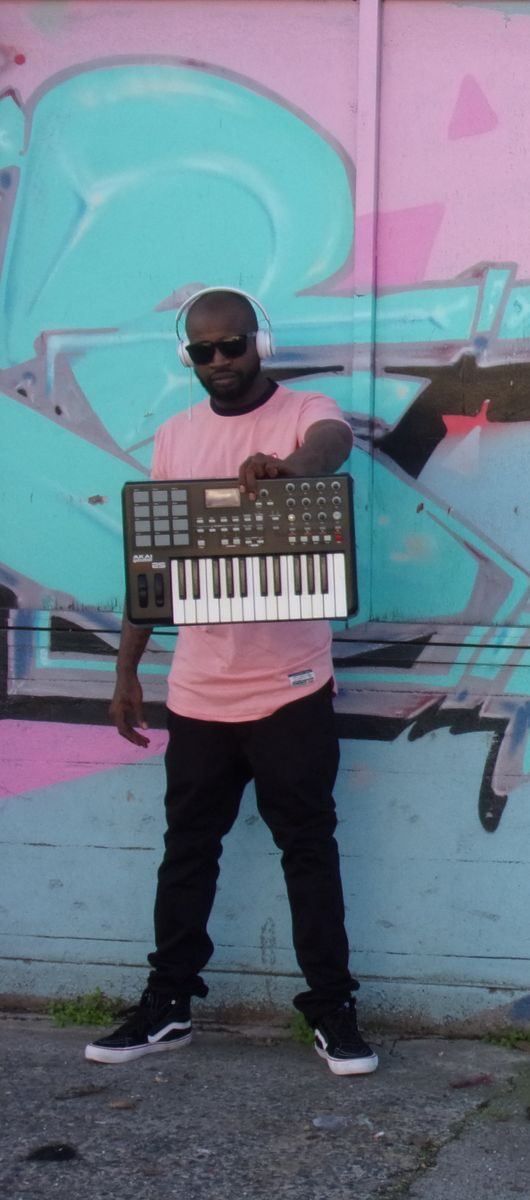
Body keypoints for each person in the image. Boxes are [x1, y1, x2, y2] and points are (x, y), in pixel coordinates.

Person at [88, 287, 377, 1076]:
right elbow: (153, 561)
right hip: (198, 692)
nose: (218, 360)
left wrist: (289, 469)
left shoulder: (304, 413)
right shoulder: (177, 436)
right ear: (188, 356)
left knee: (307, 850)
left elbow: (331, 445)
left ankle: (333, 1011)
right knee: (187, 852)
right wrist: (126, 668)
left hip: (291, 686)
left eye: (232, 345)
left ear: (260, 343)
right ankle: (168, 1004)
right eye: (202, 350)